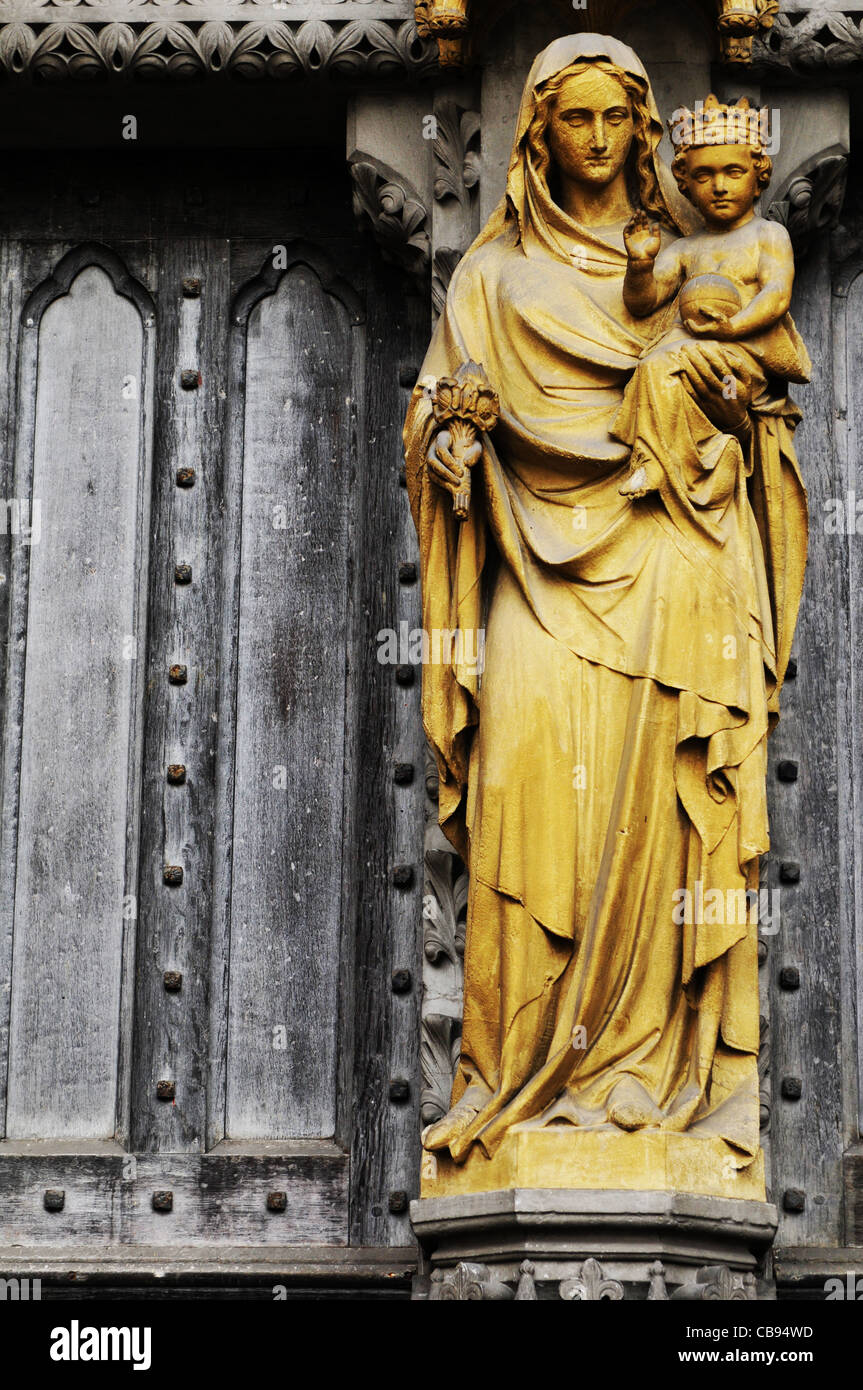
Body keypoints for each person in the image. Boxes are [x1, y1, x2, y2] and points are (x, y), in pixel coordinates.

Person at [403, 34, 807, 1176]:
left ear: (642, 132)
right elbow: (433, 415)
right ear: (537, 132)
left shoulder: (687, 262)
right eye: (572, 119)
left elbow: (765, 419)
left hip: (675, 567)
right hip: (533, 574)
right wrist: (449, 442)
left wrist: (736, 414)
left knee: (673, 829)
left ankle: (667, 1093)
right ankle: (523, 1092)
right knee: (529, 800)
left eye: (613, 120)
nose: (594, 140)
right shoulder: (489, 278)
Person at [617, 94, 809, 501]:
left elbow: (776, 295)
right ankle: (659, 460)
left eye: (733, 171)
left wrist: (732, 327)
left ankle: (710, 452)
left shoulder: (767, 235)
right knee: (654, 368)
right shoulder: (688, 249)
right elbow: (642, 302)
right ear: (684, 183)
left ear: (758, 175)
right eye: (704, 176)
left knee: (682, 370)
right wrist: (639, 264)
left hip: (745, 352)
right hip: (691, 347)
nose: (719, 186)